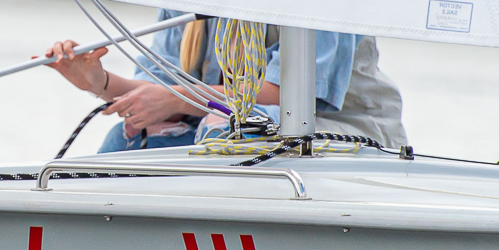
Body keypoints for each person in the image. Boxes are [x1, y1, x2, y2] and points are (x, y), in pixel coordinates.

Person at [40, 14, 406, 152]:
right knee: (128, 137)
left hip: (352, 136)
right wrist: (97, 81)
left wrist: (177, 99)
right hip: (233, 125)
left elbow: (287, 96)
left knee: (230, 129)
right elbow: (157, 95)